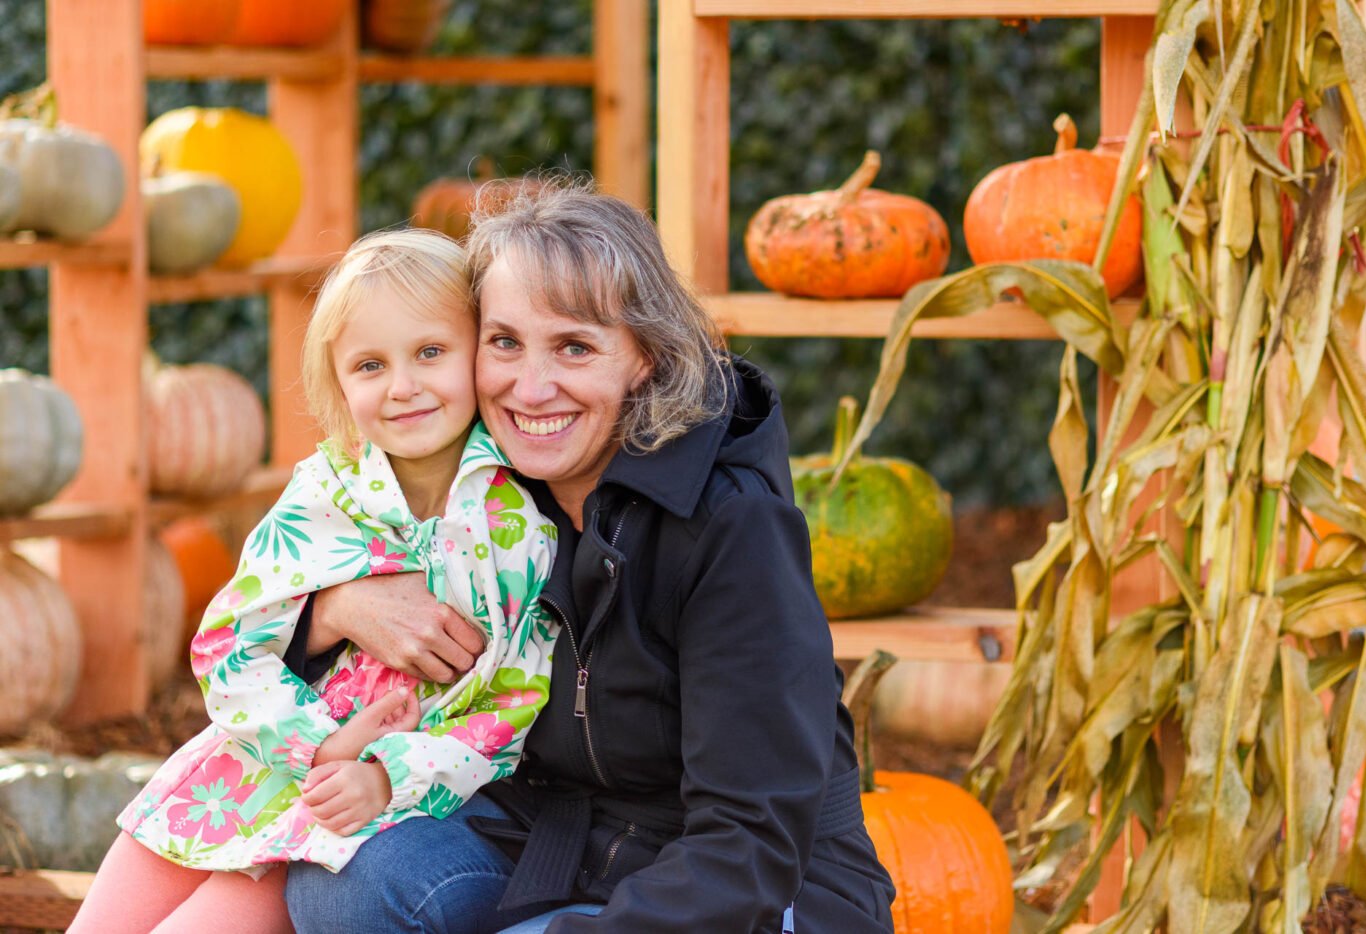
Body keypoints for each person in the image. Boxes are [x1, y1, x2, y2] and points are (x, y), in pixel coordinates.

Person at [283, 181, 896, 933]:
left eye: (574, 346)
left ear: (646, 356)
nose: (531, 388)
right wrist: (334, 607)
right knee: (343, 885)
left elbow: (749, 842)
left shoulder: (733, 528)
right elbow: (266, 610)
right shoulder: (496, 491)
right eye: (505, 342)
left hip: (752, 890)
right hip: (562, 844)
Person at [69, 228, 558, 934]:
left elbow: (510, 701)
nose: (403, 386)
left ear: (479, 351)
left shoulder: (515, 522)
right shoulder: (326, 490)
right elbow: (229, 644)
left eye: (430, 352)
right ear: (337, 380)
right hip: (249, 767)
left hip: (351, 803)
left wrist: (385, 772)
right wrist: (307, 741)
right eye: (369, 365)